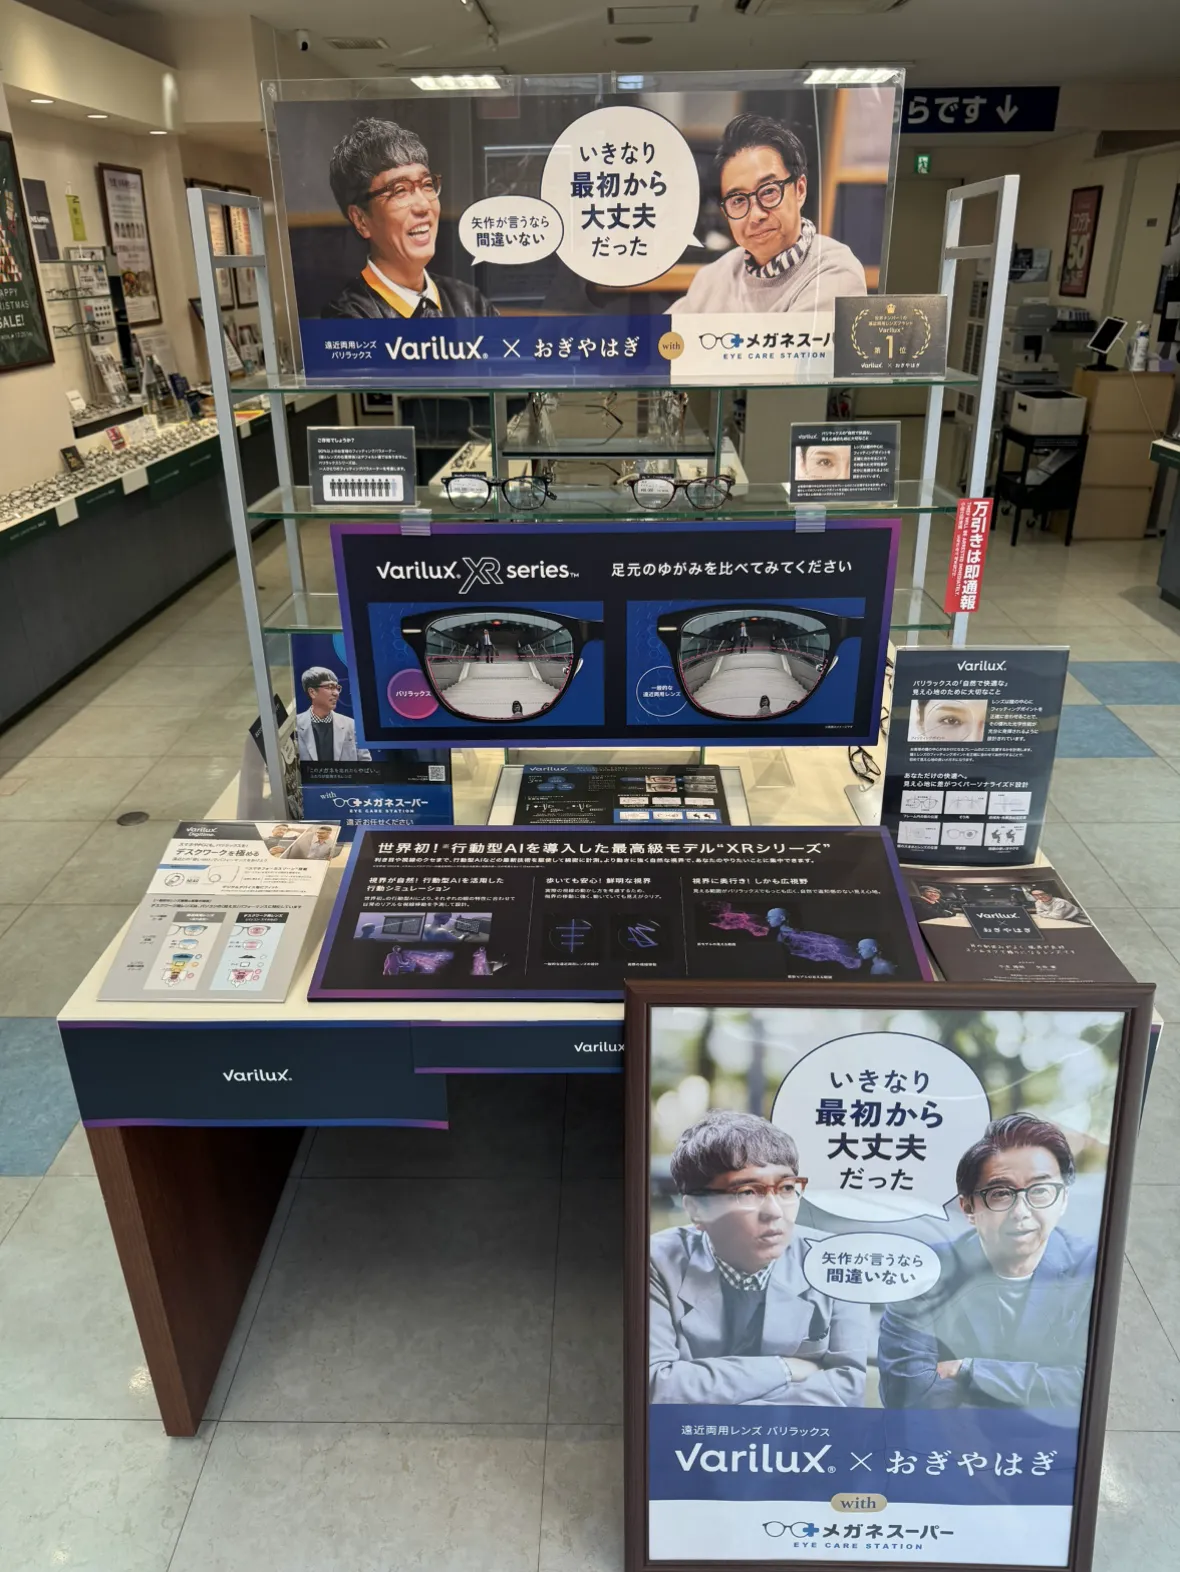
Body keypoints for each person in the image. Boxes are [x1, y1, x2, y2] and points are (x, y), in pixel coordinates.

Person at [877, 1114, 1095, 1411]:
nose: (1021, 1212)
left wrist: (970, 1371)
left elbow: (1089, 1388)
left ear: (1063, 1199)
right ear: (968, 1207)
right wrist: (1042, 1387)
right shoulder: (922, 1274)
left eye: (1040, 1191)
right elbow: (907, 1395)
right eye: (1001, 1193)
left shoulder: (1093, 1269)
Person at [650, 1110, 868, 1405]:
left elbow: (848, 1386)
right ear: (697, 1210)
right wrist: (784, 1368)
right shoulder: (658, 1262)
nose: (775, 1211)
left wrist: (738, 1417)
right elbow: (657, 1385)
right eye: (748, 1192)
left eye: (787, 1188)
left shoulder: (836, 1260)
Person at [671, 113, 866, 317]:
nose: (756, 215)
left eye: (768, 191)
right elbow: (662, 333)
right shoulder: (712, 279)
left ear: (800, 190)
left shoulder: (834, 269)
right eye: (738, 200)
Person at [323, 117, 494, 319]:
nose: (423, 205)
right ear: (361, 220)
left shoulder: (471, 303)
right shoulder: (349, 317)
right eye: (400, 191)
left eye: (427, 185)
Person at [295, 668, 370, 763]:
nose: (336, 693)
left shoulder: (351, 725)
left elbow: (365, 761)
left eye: (337, 688)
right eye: (330, 687)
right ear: (312, 692)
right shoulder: (295, 726)